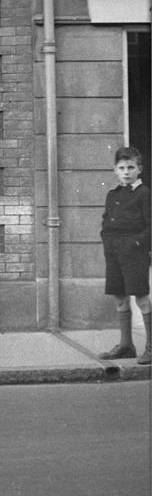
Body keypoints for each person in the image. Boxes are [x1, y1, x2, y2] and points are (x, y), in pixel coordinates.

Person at [99, 146, 151, 365]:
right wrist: (107, 241)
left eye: (131, 167)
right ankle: (126, 345)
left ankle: (150, 348)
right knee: (119, 297)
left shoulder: (144, 194)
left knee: (141, 298)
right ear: (115, 170)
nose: (126, 172)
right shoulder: (113, 194)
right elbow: (106, 220)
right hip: (114, 252)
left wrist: (136, 244)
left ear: (139, 169)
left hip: (134, 253)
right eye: (122, 168)